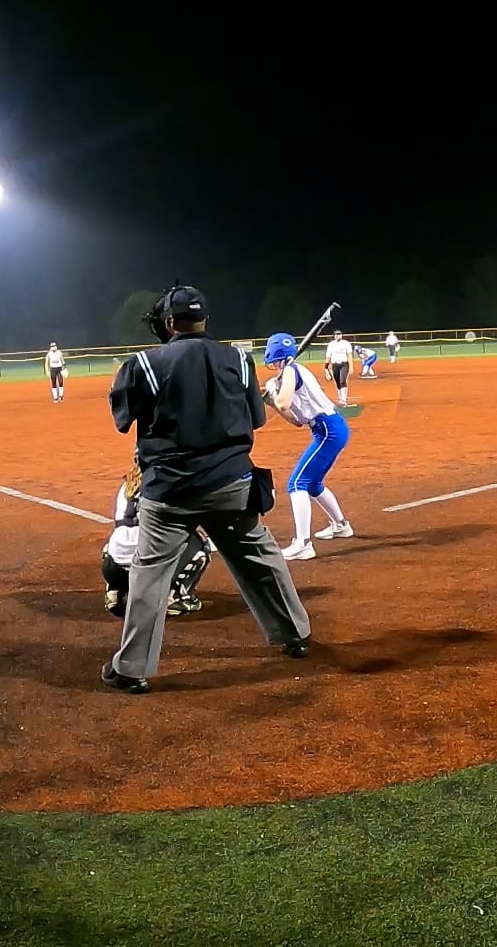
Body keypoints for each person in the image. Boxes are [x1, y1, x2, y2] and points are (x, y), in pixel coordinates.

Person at [104, 285, 311, 693]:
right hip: (231, 485)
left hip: (169, 492)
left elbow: (123, 418)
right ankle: (296, 635)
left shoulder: (144, 363)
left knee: (149, 576)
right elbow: (256, 419)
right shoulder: (239, 359)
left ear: (169, 322)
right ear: (205, 321)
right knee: (261, 557)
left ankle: (132, 669)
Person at [263, 331, 354, 561]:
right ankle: (341, 525)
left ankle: (303, 544)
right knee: (313, 484)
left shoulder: (291, 371)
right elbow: (296, 420)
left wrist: (275, 394)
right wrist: (272, 401)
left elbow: (283, 402)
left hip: (328, 430)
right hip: (327, 428)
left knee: (297, 483)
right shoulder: (291, 372)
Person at [102, 456, 213, 618]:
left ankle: (115, 591)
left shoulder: (127, 486)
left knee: (116, 541)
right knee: (199, 543)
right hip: (147, 572)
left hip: (113, 570)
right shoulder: (167, 486)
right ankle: (174, 597)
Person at [324, 332, 352, 406]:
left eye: (339, 334)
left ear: (341, 335)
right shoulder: (331, 344)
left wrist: (351, 366)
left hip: (344, 364)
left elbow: (349, 355)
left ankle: (343, 400)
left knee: (342, 381)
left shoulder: (346, 343)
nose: (337, 335)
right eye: (336, 334)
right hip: (335, 365)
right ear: (334, 336)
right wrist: (326, 367)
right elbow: (328, 356)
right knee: (337, 382)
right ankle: (340, 399)